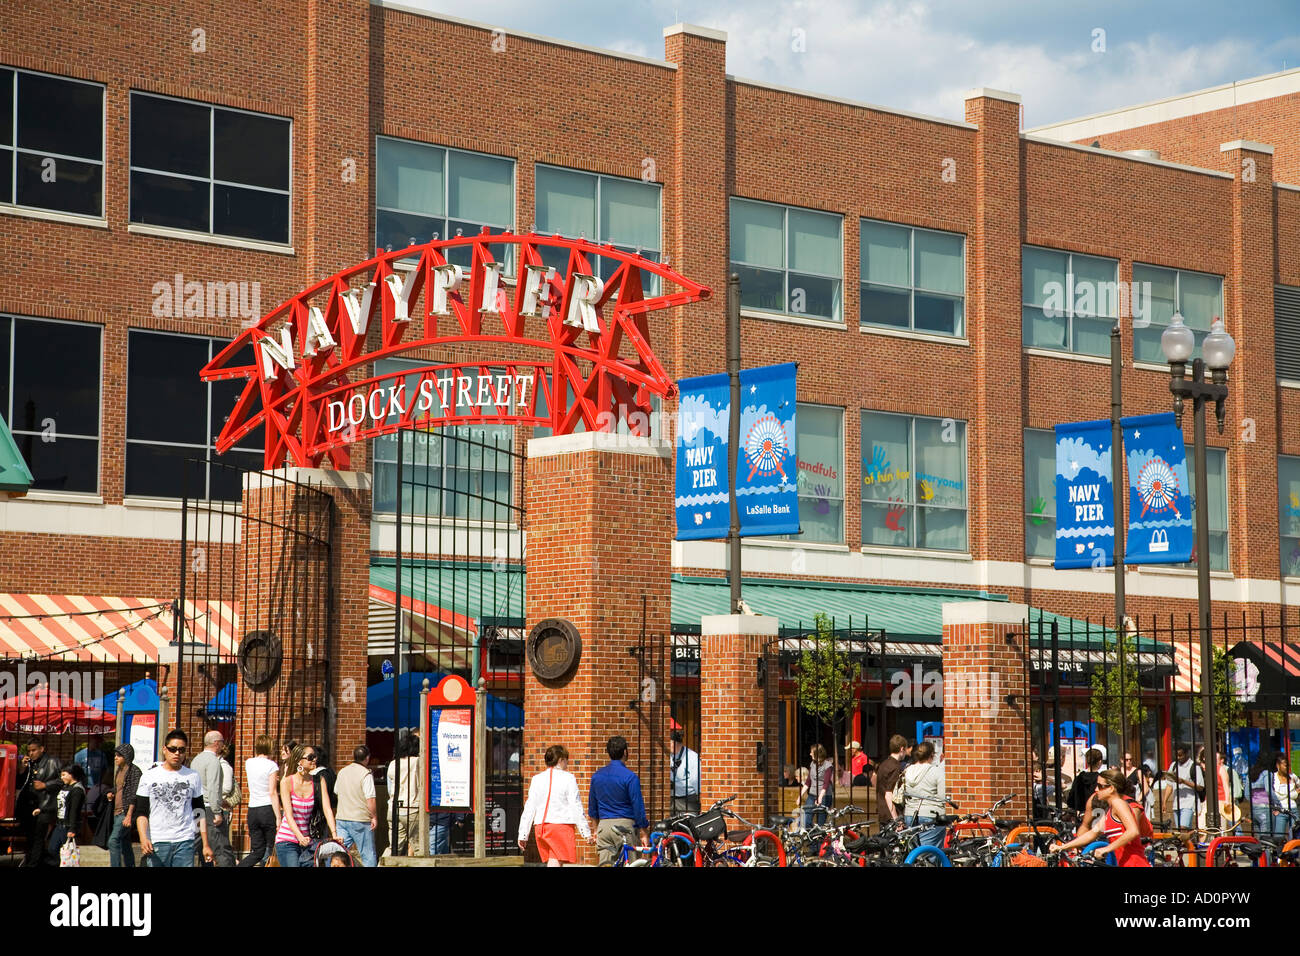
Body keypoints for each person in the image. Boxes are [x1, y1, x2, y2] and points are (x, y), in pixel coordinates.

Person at [136, 729, 214, 867]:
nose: (177, 753)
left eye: (181, 750)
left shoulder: (193, 776)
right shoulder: (148, 776)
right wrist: (143, 838)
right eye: (173, 749)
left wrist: (205, 844)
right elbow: (141, 812)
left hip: (185, 840)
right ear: (164, 749)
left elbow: (199, 812)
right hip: (158, 840)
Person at [1051, 768, 1151, 867]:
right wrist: (1063, 847)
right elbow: (1093, 833)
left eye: (1100, 786)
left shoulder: (1118, 803)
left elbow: (1133, 831)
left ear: (1111, 788)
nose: (1096, 789)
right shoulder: (1110, 809)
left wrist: (1106, 849)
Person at [518, 744, 592, 867]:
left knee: (554, 859)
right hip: (560, 825)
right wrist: (586, 832)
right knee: (556, 860)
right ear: (560, 759)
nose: (567, 763)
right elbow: (576, 806)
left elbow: (529, 808)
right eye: (566, 759)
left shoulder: (537, 779)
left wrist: (523, 834)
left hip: (541, 826)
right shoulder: (568, 778)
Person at [588, 735, 649, 866]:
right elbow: (637, 806)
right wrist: (643, 832)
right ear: (625, 752)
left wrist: (595, 830)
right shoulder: (630, 777)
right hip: (625, 826)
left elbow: (592, 808)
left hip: (604, 826)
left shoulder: (596, 776)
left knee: (606, 864)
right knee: (631, 863)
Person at [275, 743, 338, 867]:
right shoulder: (287, 782)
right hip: (287, 840)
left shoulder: (319, 781)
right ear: (299, 761)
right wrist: (299, 837)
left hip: (308, 841)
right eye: (310, 757)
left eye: (315, 756)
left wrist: (334, 834)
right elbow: (288, 814)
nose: (314, 759)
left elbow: (327, 808)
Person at [190, 730, 236, 867]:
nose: (223, 745)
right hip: (210, 808)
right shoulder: (213, 761)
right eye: (222, 742)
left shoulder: (196, 760)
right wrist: (217, 812)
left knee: (201, 847)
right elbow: (213, 787)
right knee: (221, 848)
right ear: (216, 743)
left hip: (196, 807)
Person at [238, 734, 280, 867]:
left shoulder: (249, 762)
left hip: (253, 808)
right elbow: (272, 792)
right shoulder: (272, 765)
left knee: (257, 851)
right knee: (272, 847)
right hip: (267, 808)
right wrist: (278, 817)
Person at [19, 738, 62, 866]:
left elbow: (63, 780)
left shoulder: (53, 762)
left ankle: (34, 863)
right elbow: (20, 783)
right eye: (29, 751)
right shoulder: (30, 764)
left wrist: (45, 785)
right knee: (30, 838)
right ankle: (36, 860)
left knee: (38, 837)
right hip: (29, 806)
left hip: (45, 805)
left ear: (42, 749)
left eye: (34, 750)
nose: (31, 753)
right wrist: (22, 769)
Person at [334, 745, 378, 866]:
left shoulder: (342, 771)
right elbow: (371, 799)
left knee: (338, 853)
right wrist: (374, 817)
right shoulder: (366, 774)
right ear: (367, 758)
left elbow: (336, 791)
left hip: (342, 817)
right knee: (367, 854)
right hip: (360, 820)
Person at [383, 730, 421, 856]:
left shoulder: (393, 764)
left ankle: (382, 864)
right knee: (419, 847)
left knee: (394, 847)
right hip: (413, 808)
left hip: (394, 808)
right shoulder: (417, 762)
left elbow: (390, 789)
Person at [901, 740, 946, 846]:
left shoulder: (908, 770)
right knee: (930, 854)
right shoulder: (937, 772)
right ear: (932, 755)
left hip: (910, 814)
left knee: (915, 851)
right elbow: (942, 797)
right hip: (931, 814)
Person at [105, 743, 142, 867]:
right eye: (115, 755)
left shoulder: (134, 771)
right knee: (125, 843)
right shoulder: (119, 771)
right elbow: (119, 789)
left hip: (125, 812)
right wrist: (112, 793)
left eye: (119, 755)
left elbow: (134, 794)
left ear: (126, 756)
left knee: (113, 841)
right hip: (117, 811)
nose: (115, 758)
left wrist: (129, 815)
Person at [47, 763, 86, 867]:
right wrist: (42, 810)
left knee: (66, 853)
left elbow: (74, 810)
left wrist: (72, 828)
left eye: (64, 774)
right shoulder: (65, 787)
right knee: (52, 849)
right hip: (59, 824)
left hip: (68, 826)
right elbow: (59, 805)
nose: (62, 777)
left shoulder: (77, 790)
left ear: (71, 775)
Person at [875, 735, 909, 832]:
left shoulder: (883, 764)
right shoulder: (895, 767)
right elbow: (889, 794)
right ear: (902, 749)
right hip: (891, 814)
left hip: (882, 811)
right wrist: (896, 820)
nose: (906, 753)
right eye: (905, 749)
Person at [1167, 743, 1204, 829]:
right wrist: (1165, 801)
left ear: (1187, 753)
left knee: (1183, 828)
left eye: (1180, 755)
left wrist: (1183, 781)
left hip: (1189, 803)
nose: (1178, 757)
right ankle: (1190, 842)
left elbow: (1200, 787)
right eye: (1176, 755)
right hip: (1177, 803)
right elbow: (1169, 785)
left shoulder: (1194, 767)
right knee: (1180, 830)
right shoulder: (1173, 765)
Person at [669, 723, 700, 814]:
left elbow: (695, 780)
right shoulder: (668, 755)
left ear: (674, 743)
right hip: (670, 798)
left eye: (668, 743)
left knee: (689, 823)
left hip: (687, 799)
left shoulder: (692, 757)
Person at [1067, 748, 1104, 821]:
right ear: (1100, 762)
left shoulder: (1079, 778)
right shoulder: (1101, 779)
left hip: (1081, 815)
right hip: (1098, 814)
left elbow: (1071, 799)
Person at [808, 744, 834, 827]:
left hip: (824, 795)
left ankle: (819, 838)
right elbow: (808, 780)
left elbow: (826, 783)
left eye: (811, 752)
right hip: (812, 794)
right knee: (806, 819)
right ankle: (811, 837)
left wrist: (820, 797)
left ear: (817, 753)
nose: (810, 754)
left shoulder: (827, 766)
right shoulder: (812, 764)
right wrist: (800, 795)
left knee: (821, 821)